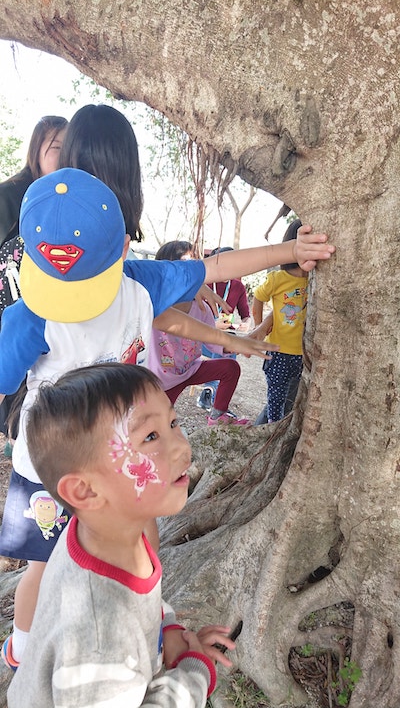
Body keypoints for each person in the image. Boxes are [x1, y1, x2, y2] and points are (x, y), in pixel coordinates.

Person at [0, 168, 335, 670]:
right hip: (50, 465)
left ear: (122, 251)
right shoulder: (30, 315)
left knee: (144, 532)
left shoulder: (141, 283)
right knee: (43, 563)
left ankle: (151, 625)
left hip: (129, 456)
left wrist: (291, 252)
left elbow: (215, 268)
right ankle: (22, 653)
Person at [7, 362, 237, 707]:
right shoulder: (98, 636)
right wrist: (194, 672)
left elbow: (144, 600)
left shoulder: (109, 534)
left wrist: (168, 630)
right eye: (150, 437)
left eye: (173, 423)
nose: (180, 447)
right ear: (85, 492)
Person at [0, 115, 68, 451]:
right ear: (36, 151)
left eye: (70, 148)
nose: (65, 155)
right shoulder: (8, 197)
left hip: (41, 327)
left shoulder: (67, 205)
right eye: (57, 147)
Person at [148, 240, 249, 426]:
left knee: (231, 368)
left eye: (196, 263)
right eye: (185, 263)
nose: (193, 270)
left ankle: (217, 416)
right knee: (159, 423)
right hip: (161, 379)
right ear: (166, 269)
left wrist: (244, 343)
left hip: (191, 369)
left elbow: (213, 342)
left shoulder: (201, 307)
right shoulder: (151, 304)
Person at [252, 219, 308, 424]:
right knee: (275, 405)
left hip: (304, 353)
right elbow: (258, 298)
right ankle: (266, 439)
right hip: (279, 353)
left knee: (291, 403)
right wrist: (260, 327)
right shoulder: (278, 278)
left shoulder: (315, 280)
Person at [197, 246, 251, 412]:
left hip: (223, 337)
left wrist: (246, 324)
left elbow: (246, 315)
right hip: (199, 338)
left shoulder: (238, 286)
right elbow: (188, 318)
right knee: (222, 343)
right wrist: (213, 325)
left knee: (227, 342)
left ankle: (209, 392)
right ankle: (216, 400)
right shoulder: (203, 283)